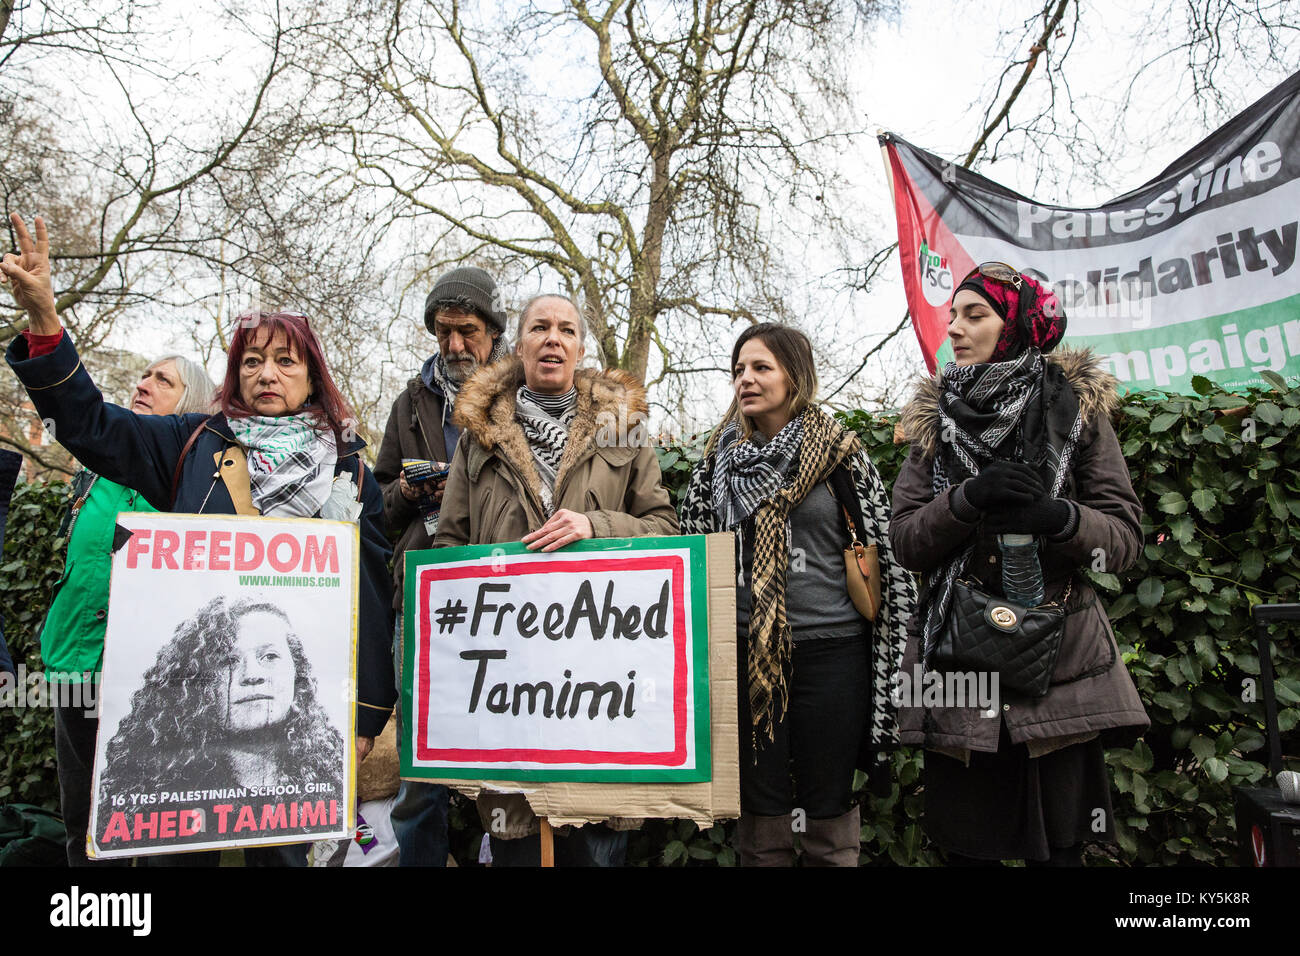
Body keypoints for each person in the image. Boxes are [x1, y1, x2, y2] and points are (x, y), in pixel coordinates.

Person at [2, 214, 397, 866]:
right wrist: (47, 323)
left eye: (284, 360)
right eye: (252, 361)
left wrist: (362, 718)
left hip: (297, 716)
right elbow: (90, 424)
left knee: (287, 858)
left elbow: (370, 598)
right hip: (188, 711)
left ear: (311, 375)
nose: (267, 372)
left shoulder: (347, 468)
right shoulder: (189, 443)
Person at [890, 262, 1149, 866]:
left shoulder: (1075, 411)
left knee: (1061, 848)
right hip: (960, 669)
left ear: (1019, 326)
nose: (953, 328)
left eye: (974, 314)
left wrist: (1057, 519)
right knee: (966, 849)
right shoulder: (935, 420)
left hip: (1058, 670)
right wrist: (965, 501)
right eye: (952, 314)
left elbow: (1125, 540)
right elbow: (904, 541)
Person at [435, 292, 679, 866]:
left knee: (596, 848)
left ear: (580, 347)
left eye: (566, 330)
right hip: (508, 687)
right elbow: (447, 546)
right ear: (517, 347)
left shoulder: (623, 431)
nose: (553, 339)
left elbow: (665, 529)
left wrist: (594, 525)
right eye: (539, 328)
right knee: (518, 841)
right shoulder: (479, 439)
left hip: (599, 684)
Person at [678, 323, 916, 866]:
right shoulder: (716, 463)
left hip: (832, 651)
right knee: (760, 805)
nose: (746, 379)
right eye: (739, 370)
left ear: (795, 376)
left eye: (761, 368)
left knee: (827, 799)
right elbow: (692, 554)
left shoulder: (840, 456)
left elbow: (885, 548)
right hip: (745, 653)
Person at [42, 353, 217, 867]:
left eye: (162, 380)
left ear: (189, 403)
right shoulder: (95, 470)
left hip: (154, 686)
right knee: (86, 823)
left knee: (160, 831)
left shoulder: (194, 481)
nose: (143, 384)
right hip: (75, 667)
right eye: (144, 374)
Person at [374, 265, 509, 867]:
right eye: (443, 332)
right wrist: (405, 493)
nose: (454, 345)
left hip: (505, 593)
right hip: (425, 595)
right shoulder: (409, 403)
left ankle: (497, 853)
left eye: (467, 330)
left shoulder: (523, 394)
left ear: (494, 331)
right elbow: (373, 509)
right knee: (419, 752)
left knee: (506, 738)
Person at [94, 597, 345, 854]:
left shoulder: (327, 784)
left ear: (297, 672)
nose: (252, 675)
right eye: (228, 661)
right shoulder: (156, 799)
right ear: (195, 683)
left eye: (269, 656)